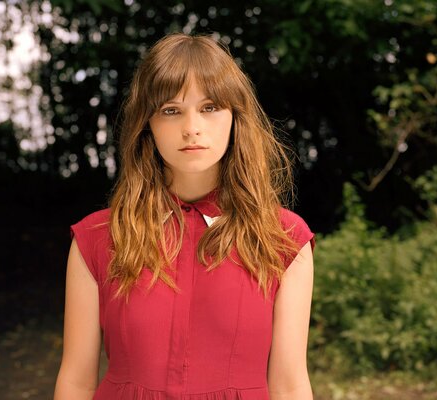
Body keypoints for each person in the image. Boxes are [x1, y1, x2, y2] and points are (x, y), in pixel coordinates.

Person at [54, 32, 316, 400]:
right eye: (171, 110)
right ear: (147, 124)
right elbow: (76, 382)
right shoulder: (96, 238)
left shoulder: (285, 238)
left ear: (234, 117)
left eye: (209, 107)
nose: (191, 127)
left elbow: (289, 386)